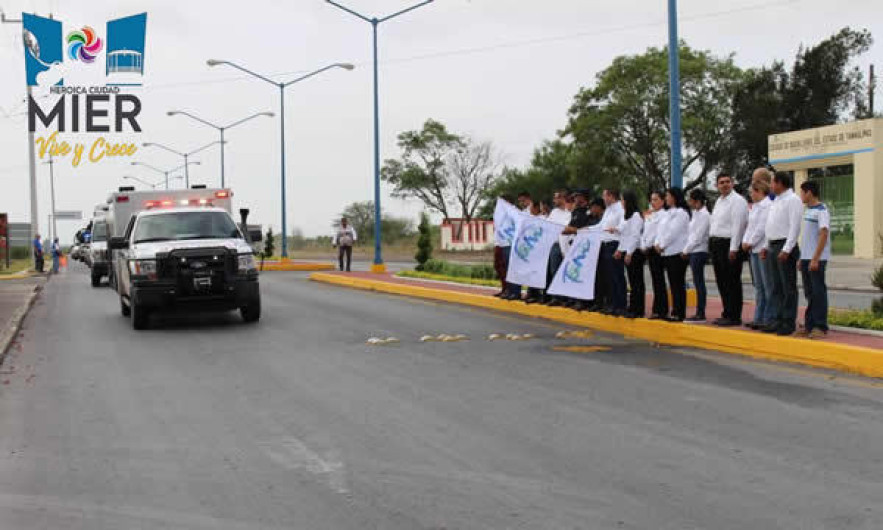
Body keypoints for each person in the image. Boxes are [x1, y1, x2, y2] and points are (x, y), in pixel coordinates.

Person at [761, 172, 803, 336]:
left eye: (772, 183)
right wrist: (765, 245)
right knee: (776, 286)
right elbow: (770, 225)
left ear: (780, 183)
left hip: (785, 245)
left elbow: (794, 227)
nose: (770, 186)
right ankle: (777, 320)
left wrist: (787, 249)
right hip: (773, 244)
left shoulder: (793, 200)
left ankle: (788, 322)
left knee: (788, 287)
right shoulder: (776, 200)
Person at [709, 172, 749, 326]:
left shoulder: (738, 201)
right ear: (717, 186)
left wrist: (733, 248)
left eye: (727, 181)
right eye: (721, 182)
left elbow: (738, 226)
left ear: (732, 183)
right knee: (721, 281)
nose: (724, 184)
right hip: (717, 243)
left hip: (729, 244)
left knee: (732, 281)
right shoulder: (719, 201)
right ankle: (726, 312)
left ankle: (734, 316)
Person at [798, 180, 831, 338]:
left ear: (809, 192)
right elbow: (805, 237)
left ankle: (820, 326)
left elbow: (823, 234)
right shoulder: (807, 210)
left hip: (816, 259)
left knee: (818, 292)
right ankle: (809, 324)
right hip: (805, 258)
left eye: (802, 192)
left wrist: (815, 258)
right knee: (810, 293)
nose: (801, 196)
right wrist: (801, 257)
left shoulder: (821, 210)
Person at [741, 180, 775, 330]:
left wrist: (750, 242)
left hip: (762, 249)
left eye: (752, 192)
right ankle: (758, 317)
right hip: (753, 250)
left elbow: (762, 228)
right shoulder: (755, 207)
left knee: (768, 286)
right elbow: (750, 226)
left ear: (759, 191)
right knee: (759, 286)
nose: (751, 195)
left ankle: (768, 318)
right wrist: (745, 241)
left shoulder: (767, 206)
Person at [656, 188, 691, 322]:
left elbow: (673, 232)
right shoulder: (667, 213)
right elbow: (661, 230)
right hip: (667, 253)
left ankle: (679, 312)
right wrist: (657, 243)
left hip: (677, 252)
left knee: (678, 283)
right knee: (672, 283)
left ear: (675, 197)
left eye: (668, 196)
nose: (666, 198)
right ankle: (674, 310)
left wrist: (662, 244)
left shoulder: (681, 213)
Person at [561, 190, 593, 310]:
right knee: (574, 273)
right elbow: (571, 226)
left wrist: (572, 229)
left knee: (583, 274)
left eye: (577, 197)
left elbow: (587, 227)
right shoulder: (576, 211)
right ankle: (574, 299)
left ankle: (584, 301)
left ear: (583, 197)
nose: (575, 199)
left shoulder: (589, 211)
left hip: (585, 246)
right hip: (574, 244)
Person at [682, 189, 710, 323]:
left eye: (691, 200)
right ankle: (699, 311)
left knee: (699, 282)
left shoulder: (704, 215)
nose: (689, 202)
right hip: (693, 251)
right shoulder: (696, 214)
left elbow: (698, 237)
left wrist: (686, 250)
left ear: (697, 201)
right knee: (697, 281)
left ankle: (701, 312)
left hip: (699, 251)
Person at [616, 191, 645, 318]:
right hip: (627, 250)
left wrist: (629, 253)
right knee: (632, 281)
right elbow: (623, 235)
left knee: (637, 281)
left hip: (634, 252)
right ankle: (632, 306)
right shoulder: (625, 215)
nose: (621, 202)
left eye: (622, 200)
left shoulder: (636, 216)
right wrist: (620, 250)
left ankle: (638, 309)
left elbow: (635, 236)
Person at [642, 191, 669, 320]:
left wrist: (650, 244)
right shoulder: (650, 214)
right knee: (655, 281)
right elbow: (646, 231)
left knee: (659, 281)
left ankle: (662, 310)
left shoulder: (664, 215)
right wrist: (644, 245)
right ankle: (656, 309)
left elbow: (659, 232)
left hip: (657, 249)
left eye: (656, 199)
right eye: (652, 200)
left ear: (663, 201)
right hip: (649, 249)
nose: (653, 202)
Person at [544, 189, 572, 306]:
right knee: (554, 271)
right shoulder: (554, 212)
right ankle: (557, 297)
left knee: (567, 271)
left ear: (562, 198)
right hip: (555, 245)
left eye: (556, 198)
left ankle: (567, 297)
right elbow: (548, 226)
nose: (554, 200)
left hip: (568, 245)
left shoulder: (569, 212)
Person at [493, 195, 516, 297]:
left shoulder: (514, 212)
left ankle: (511, 290)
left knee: (508, 268)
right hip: (499, 243)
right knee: (499, 267)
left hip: (509, 243)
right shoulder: (500, 213)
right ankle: (504, 288)